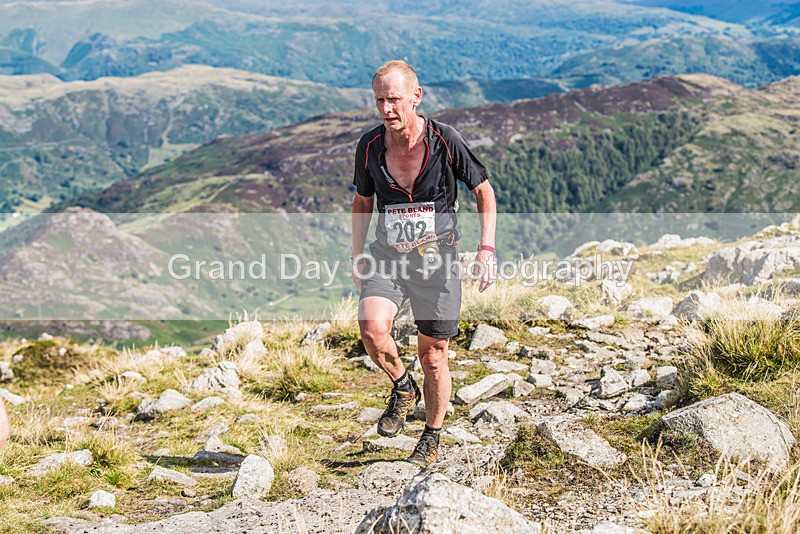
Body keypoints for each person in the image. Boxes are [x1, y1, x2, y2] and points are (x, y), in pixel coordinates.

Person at [351, 60, 497, 467]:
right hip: (388, 257)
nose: (386, 109)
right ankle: (402, 386)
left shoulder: (444, 140)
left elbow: (483, 191)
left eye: (394, 99)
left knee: (433, 355)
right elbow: (363, 201)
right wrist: (357, 254)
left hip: (437, 261)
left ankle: (431, 436)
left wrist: (486, 250)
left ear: (416, 97)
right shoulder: (368, 146)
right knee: (372, 328)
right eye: (379, 100)